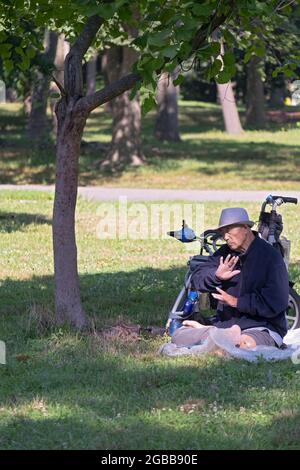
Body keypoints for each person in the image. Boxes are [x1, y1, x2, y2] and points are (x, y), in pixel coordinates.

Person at [171, 207, 289, 350]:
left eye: (229, 230)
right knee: (178, 336)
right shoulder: (225, 253)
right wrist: (216, 275)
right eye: (222, 232)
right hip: (224, 326)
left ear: (245, 228)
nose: (225, 237)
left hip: (262, 327)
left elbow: (276, 302)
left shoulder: (270, 257)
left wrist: (236, 302)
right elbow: (197, 278)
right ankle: (216, 335)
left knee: (245, 345)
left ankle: (217, 337)